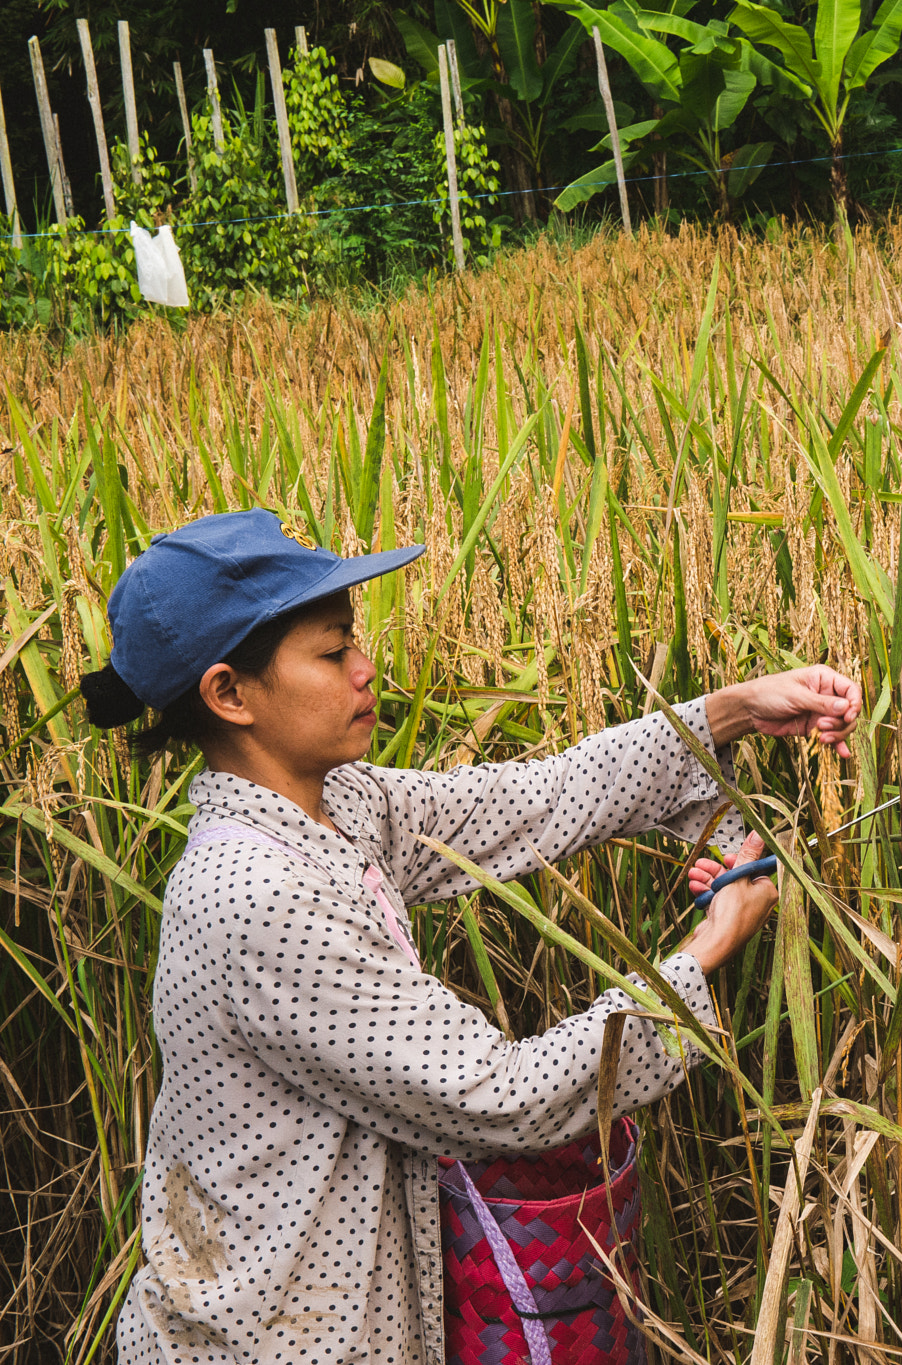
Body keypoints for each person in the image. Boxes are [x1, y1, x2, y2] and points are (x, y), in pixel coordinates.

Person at [85, 510, 860, 1364]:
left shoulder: (337, 803)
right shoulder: (257, 896)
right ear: (229, 693)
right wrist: (702, 957)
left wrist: (733, 710)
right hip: (272, 1339)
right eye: (333, 652)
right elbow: (501, 1093)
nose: (365, 668)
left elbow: (538, 800)